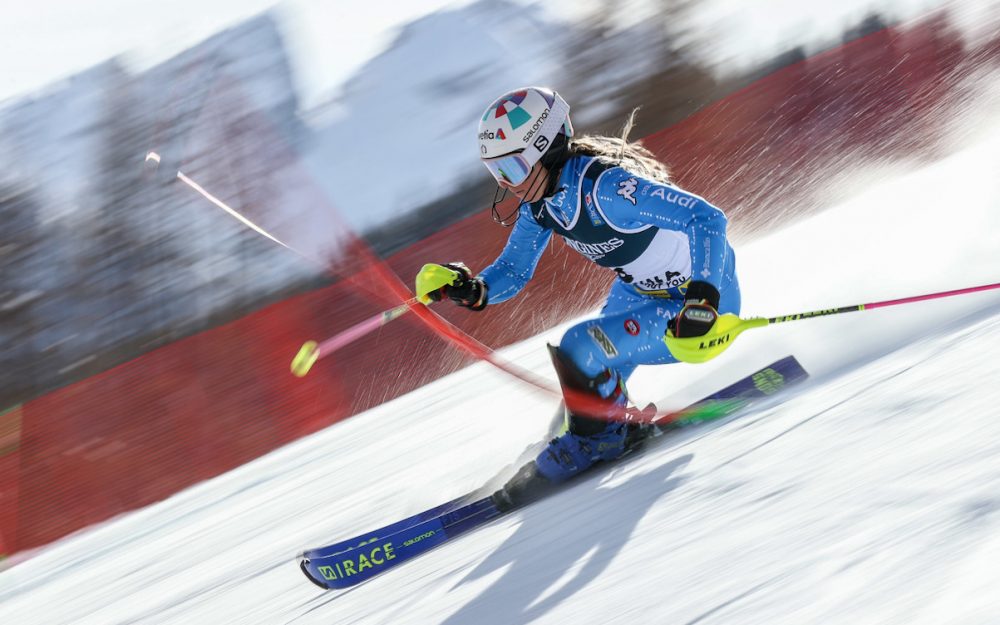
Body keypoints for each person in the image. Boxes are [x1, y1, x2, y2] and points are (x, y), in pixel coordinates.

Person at [415, 86, 739, 509]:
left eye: (513, 167)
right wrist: (471, 289)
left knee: (580, 348)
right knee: (576, 408)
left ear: (547, 148)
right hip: (642, 296)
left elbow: (707, 217)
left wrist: (704, 298)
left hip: (697, 313)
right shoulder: (542, 204)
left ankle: (602, 441)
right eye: (497, 172)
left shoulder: (606, 188)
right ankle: (594, 435)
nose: (507, 184)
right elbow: (513, 270)